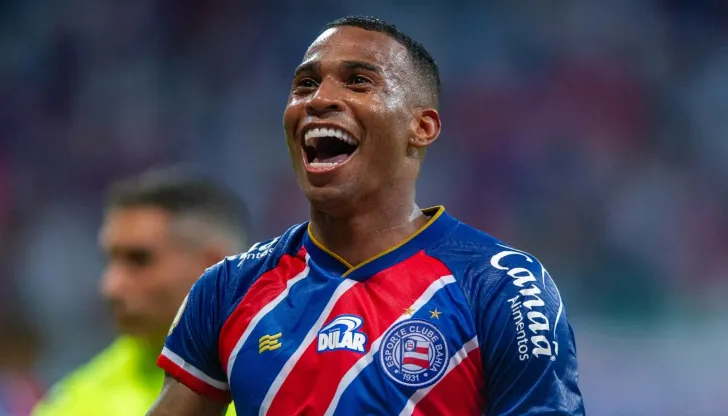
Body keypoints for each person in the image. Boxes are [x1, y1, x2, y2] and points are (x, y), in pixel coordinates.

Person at [149, 16, 585, 416]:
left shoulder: (502, 286)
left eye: (358, 82)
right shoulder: (228, 289)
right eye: (305, 85)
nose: (319, 100)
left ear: (423, 127)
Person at [32, 168, 246, 416]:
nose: (110, 286)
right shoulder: (74, 404)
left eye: (139, 260)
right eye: (110, 260)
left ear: (214, 265)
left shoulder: (284, 378)